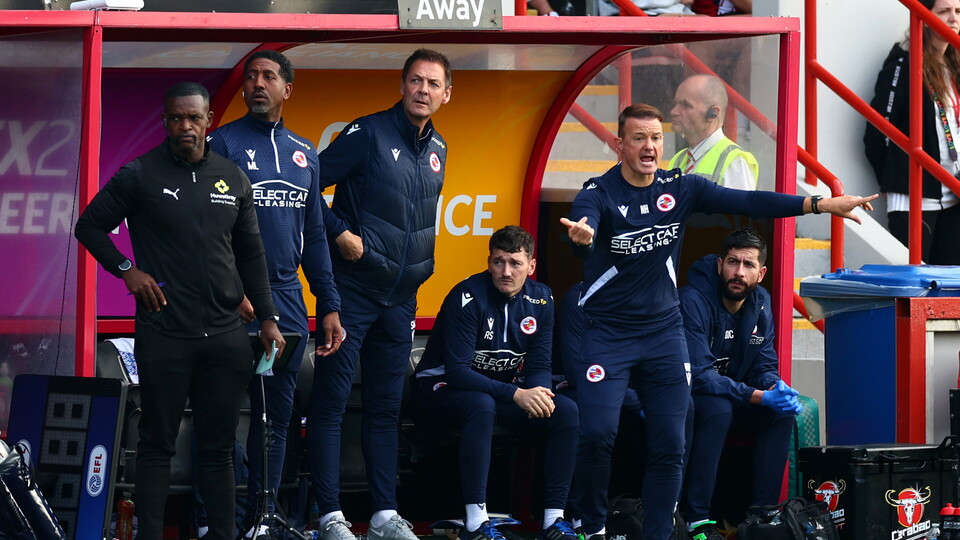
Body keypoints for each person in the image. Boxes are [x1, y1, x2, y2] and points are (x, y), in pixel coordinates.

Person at [560, 103, 876, 540]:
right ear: (619, 144)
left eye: (656, 137)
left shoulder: (680, 187)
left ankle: (659, 533)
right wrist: (583, 237)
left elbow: (747, 200)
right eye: (638, 138)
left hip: (663, 334)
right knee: (597, 435)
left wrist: (818, 203)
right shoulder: (598, 193)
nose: (650, 146)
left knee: (671, 442)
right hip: (609, 335)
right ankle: (591, 528)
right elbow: (583, 223)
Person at [74, 82, 284, 540]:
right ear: (165, 121)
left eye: (193, 118)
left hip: (226, 337)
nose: (184, 127)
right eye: (175, 118)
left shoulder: (232, 177)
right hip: (165, 334)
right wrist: (127, 270)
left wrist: (267, 317)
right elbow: (88, 225)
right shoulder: (140, 174)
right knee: (155, 447)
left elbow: (251, 254)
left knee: (218, 451)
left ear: (209, 121)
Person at [308, 48, 451, 540]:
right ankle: (330, 516)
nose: (423, 90)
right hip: (352, 293)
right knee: (329, 404)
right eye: (416, 81)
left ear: (446, 94)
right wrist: (339, 232)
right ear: (402, 84)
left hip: (401, 301)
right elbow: (306, 187)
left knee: (387, 410)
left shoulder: (440, 149)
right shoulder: (367, 132)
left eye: (433, 84)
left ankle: (385, 515)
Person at [206, 49, 344, 539]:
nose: (257, 84)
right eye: (251, 77)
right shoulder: (221, 143)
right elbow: (209, 233)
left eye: (268, 76)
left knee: (275, 420)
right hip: (231, 306)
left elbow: (314, 239)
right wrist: (231, 291)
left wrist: (328, 303)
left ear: (288, 88)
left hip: (287, 305)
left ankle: (262, 520)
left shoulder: (306, 153)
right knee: (220, 420)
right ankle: (213, 523)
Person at [411, 225, 579, 540]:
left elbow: (541, 364)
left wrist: (539, 394)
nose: (505, 271)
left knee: (565, 410)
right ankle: (476, 520)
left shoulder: (542, 299)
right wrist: (516, 393)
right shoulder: (467, 295)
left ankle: (553, 520)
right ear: (489, 262)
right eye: (498, 262)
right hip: (440, 390)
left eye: (515, 263)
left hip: (498, 394)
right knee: (481, 403)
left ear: (531, 266)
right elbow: (459, 373)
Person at [678, 229, 802, 540]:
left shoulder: (761, 303)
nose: (739, 272)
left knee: (782, 413)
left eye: (748, 265)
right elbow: (700, 375)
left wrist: (775, 387)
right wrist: (758, 395)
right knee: (718, 408)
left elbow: (763, 364)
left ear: (761, 273)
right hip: (693, 395)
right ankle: (696, 518)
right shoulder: (692, 300)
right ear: (720, 265)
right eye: (733, 262)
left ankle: (763, 517)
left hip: (737, 393)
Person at [864, 0, 960, 264]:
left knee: (951, 289)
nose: (953, 18)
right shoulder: (904, 61)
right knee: (916, 289)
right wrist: (894, 177)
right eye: (944, 11)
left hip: (952, 190)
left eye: (959, 11)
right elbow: (878, 129)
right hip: (914, 196)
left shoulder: (952, 62)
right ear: (924, 17)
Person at [668, 74, 758, 190]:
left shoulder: (734, 161)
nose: (673, 111)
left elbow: (738, 208)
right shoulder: (679, 158)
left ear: (713, 113)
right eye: (676, 104)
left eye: (686, 105)